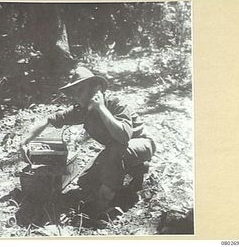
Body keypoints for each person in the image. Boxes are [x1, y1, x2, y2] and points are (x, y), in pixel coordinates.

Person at [20, 66, 156, 218]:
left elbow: (123, 137)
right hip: (115, 151)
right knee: (85, 182)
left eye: (80, 91)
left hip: (141, 144)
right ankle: (128, 173)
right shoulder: (82, 110)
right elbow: (49, 119)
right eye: (74, 93)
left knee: (115, 154)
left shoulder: (115, 103)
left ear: (96, 88)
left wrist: (101, 108)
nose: (77, 97)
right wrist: (25, 141)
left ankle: (103, 204)